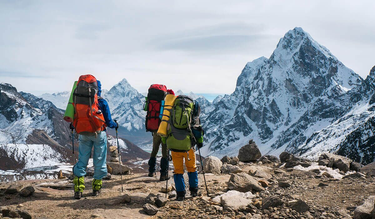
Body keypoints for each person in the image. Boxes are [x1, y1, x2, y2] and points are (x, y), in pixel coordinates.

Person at [72, 76, 118, 199]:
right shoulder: (101, 102)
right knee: (99, 160)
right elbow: (108, 122)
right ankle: (96, 188)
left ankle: (78, 189)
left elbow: (73, 118)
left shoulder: (77, 100)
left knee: (82, 160)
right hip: (99, 134)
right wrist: (115, 124)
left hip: (83, 133)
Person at [163, 95, 204, 201]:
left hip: (174, 146)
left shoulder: (171, 112)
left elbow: (165, 129)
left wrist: (166, 143)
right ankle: (194, 191)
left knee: (178, 170)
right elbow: (197, 130)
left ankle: (180, 194)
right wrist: (199, 142)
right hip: (188, 146)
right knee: (192, 168)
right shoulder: (192, 114)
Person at [148, 89, 175, 181]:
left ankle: (151, 171)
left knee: (154, 150)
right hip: (165, 130)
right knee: (165, 153)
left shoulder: (158, 102)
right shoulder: (170, 103)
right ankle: (163, 174)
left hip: (156, 129)